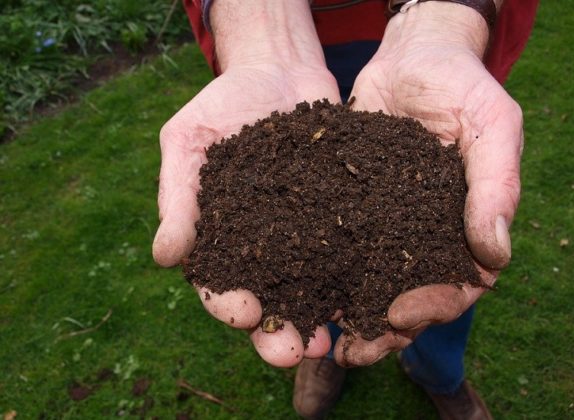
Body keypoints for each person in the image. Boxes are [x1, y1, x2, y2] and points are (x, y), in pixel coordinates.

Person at [153, 0, 538, 418]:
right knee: (324, 286)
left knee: (450, 260)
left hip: (446, 26)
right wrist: (263, 26)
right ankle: (321, 350)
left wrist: (445, 21)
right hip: (303, 28)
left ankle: (440, 375)